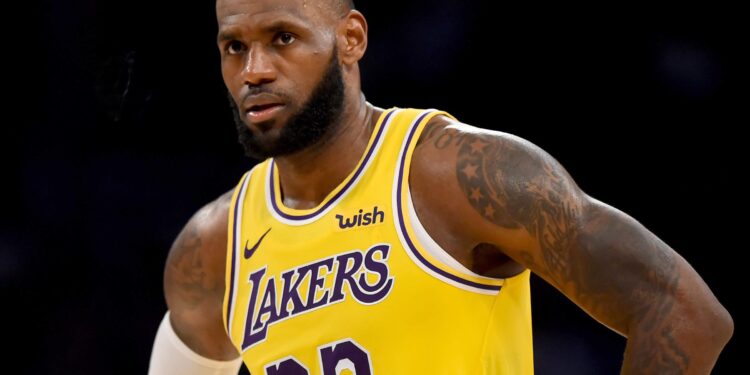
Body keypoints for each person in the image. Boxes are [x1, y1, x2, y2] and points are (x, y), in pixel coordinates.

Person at [148, 0, 733, 373]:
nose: (254, 70)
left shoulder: (454, 173)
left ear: (351, 39)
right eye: (234, 47)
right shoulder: (214, 243)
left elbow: (680, 312)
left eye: (282, 38)